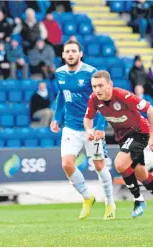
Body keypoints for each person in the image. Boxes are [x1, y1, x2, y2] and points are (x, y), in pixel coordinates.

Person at [84, 70, 153, 219]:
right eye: (94, 86)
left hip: (140, 132)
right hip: (123, 137)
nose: (97, 90)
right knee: (141, 174)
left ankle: (138, 200)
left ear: (110, 84)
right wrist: (89, 130)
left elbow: (151, 110)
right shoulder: (94, 99)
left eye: (101, 86)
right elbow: (88, 117)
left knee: (120, 164)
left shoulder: (122, 95)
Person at [50, 40, 115, 220]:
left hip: (91, 127)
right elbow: (61, 97)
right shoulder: (59, 73)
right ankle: (87, 197)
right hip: (70, 127)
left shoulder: (90, 73)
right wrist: (57, 117)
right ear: (63, 55)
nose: (70, 54)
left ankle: (110, 202)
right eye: (67, 51)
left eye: (73, 51)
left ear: (80, 54)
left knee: (98, 165)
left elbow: (102, 100)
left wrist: (100, 126)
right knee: (67, 164)